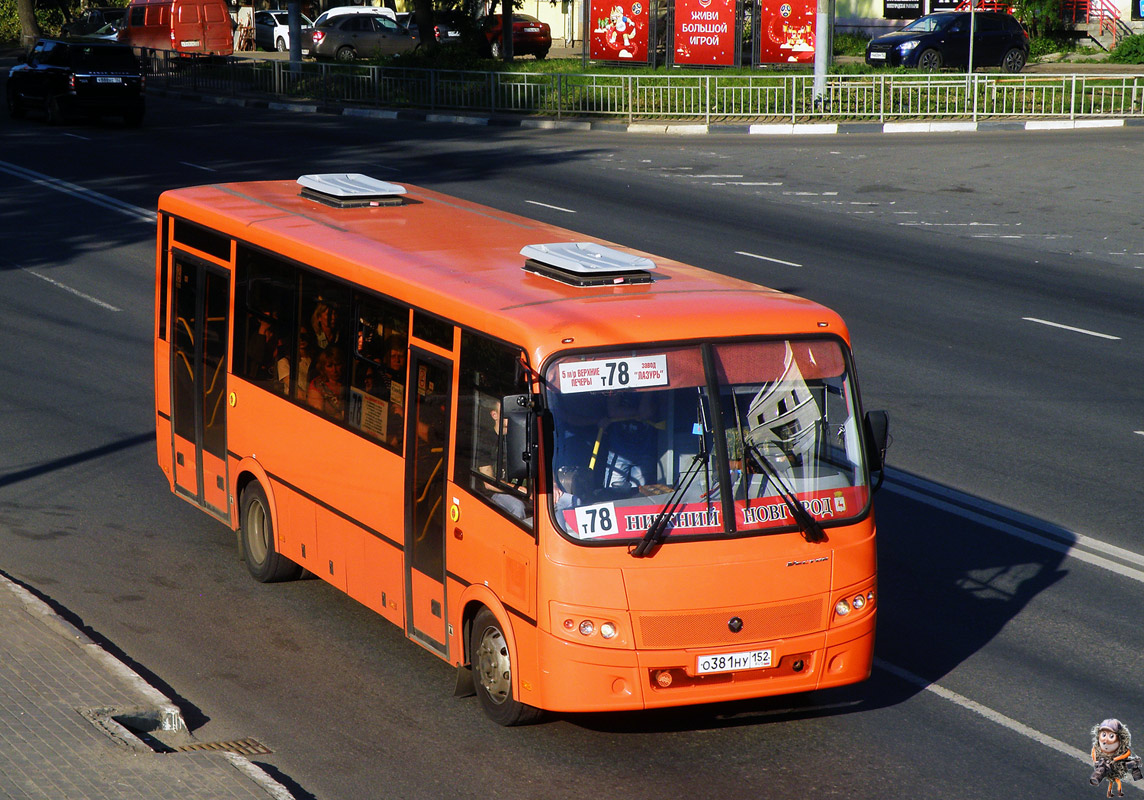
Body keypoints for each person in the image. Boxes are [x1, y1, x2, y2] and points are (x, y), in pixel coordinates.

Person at [307, 347, 345, 419]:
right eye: (329, 366)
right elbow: (316, 416)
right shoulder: (317, 385)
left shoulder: (349, 382)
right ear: (323, 368)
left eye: (337, 364)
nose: (334, 370)